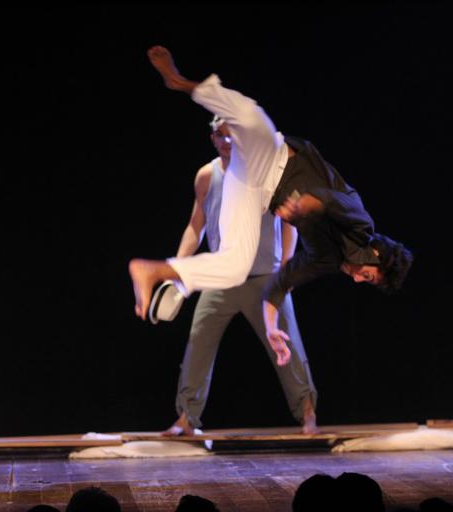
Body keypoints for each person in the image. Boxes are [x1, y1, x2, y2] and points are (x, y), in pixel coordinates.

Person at [129, 46, 412, 365]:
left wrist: (271, 326)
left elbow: (280, 282)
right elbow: (334, 200)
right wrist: (306, 204)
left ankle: (155, 270)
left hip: (255, 191)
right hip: (274, 157)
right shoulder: (362, 224)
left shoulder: (327, 259)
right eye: (368, 275)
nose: (356, 278)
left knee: (236, 266)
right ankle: (180, 82)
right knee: (252, 118)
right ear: (376, 255)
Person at [163, 115, 317, 436]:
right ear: (213, 138)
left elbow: (288, 222)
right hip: (223, 278)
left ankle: (307, 413)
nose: (227, 141)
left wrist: (285, 270)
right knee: (198, 341)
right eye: (220, 135)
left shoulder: (262, 174)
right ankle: (186, 419)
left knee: (288, 345)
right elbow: (196, 225)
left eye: (233, 135)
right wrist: (178, 268)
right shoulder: (207, 176)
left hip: (265, 277)